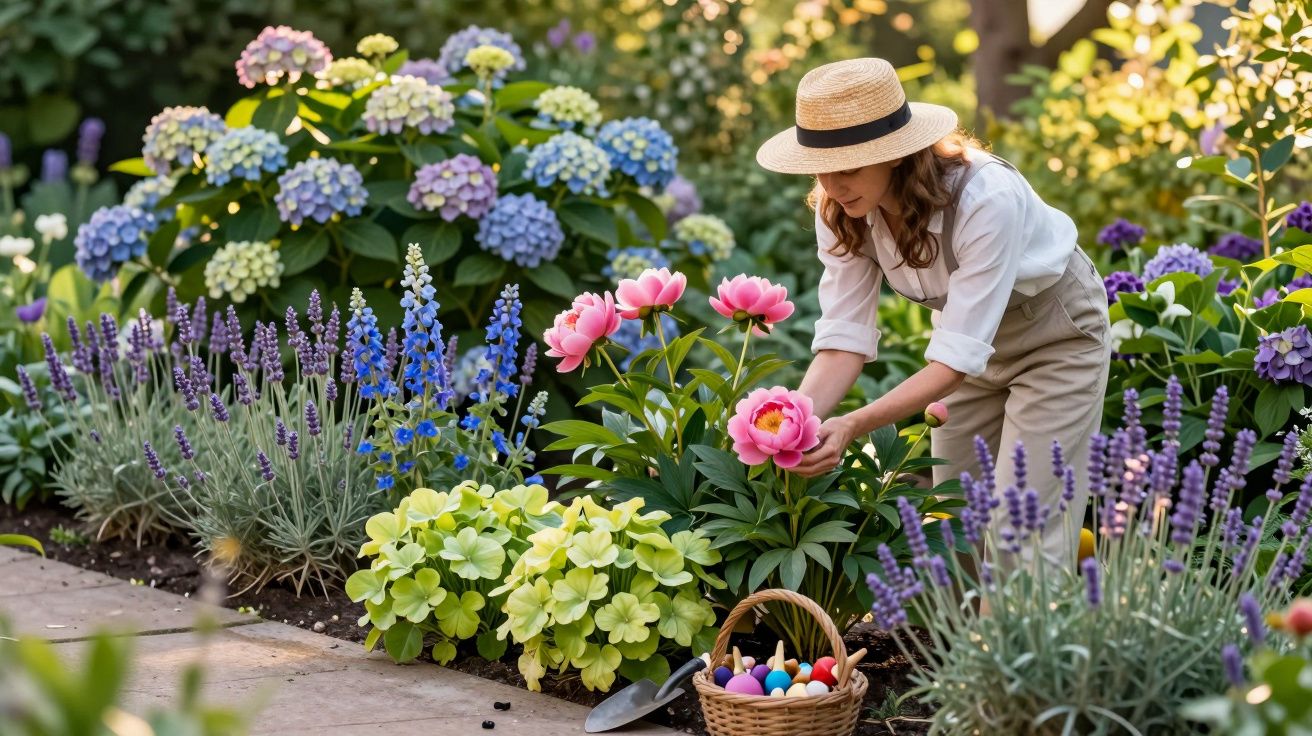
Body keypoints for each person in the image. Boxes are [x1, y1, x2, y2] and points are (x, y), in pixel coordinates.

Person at [755, 57, 1110, 564]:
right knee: (955, 522)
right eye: (820, 168)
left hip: (1056, 337)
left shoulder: (986, 197)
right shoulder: (840, 211)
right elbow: (843, 342)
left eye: (848, 168)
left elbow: (953, 363)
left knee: (1023, 527)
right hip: (967, 351)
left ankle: (1028, 621)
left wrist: (852, 425)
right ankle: (966, 623)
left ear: (895, 155)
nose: (831, 186)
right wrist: (789, 427)